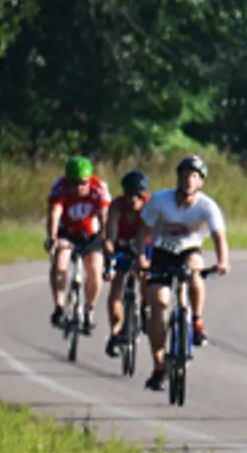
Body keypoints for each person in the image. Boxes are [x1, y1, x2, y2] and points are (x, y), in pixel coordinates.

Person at [140, 155, 231, 391]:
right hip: (161, 251)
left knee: (194, 271)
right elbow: (144, 229)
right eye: (185, 175)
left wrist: (223, 261)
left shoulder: (207, 206)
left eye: (194, 176)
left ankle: (197, 320)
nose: (189, 180)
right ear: (177, 177)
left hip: (189, 250)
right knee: (159, 303)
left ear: (201, 182)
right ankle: (158, 365)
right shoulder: (160, 199)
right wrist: (142, 255)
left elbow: (218, 236)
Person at [45, 156, 111, 333]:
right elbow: (54, 213)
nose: (78, 188)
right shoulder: (59, 187)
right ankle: (59, 307)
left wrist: (106, 240)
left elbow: (105, 217)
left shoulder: (99, 188)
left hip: (91, 235)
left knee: (95, 270)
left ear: (89, 180)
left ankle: (89, 309)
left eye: (82, 183)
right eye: (73, 183)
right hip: (67, 232)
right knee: (60, 263)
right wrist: (52, 237)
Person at [102, 169, 152, 357]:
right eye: (129, 194)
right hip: (122, 246)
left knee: (146, 275)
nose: (133, 199)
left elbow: (148, 233)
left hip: (145, 246)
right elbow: (111, 234)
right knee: (117, 286)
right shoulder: (117, 206)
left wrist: (143, 257)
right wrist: (109, 249)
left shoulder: (150, 207)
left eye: (138, 195)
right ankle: (115, 333)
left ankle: (146, 307)